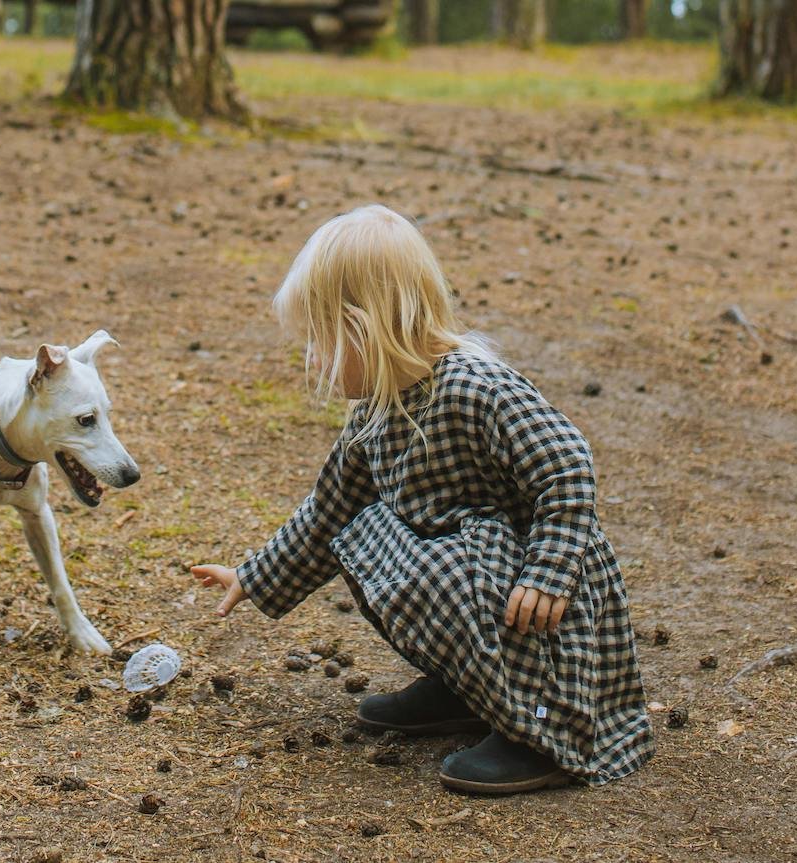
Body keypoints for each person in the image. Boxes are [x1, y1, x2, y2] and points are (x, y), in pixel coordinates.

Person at [192, 205, 654, 794]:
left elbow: (566, 466)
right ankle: (468, 688)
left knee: (419, 562)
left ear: (367, 325)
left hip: (540, 602)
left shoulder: (474, 385)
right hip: (479, 581)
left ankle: (542, 732)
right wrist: (255, 575)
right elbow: (330, 510)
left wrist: (550, 571)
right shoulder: (378, 412)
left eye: (321, 339)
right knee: (368, 533)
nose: (312, 360)